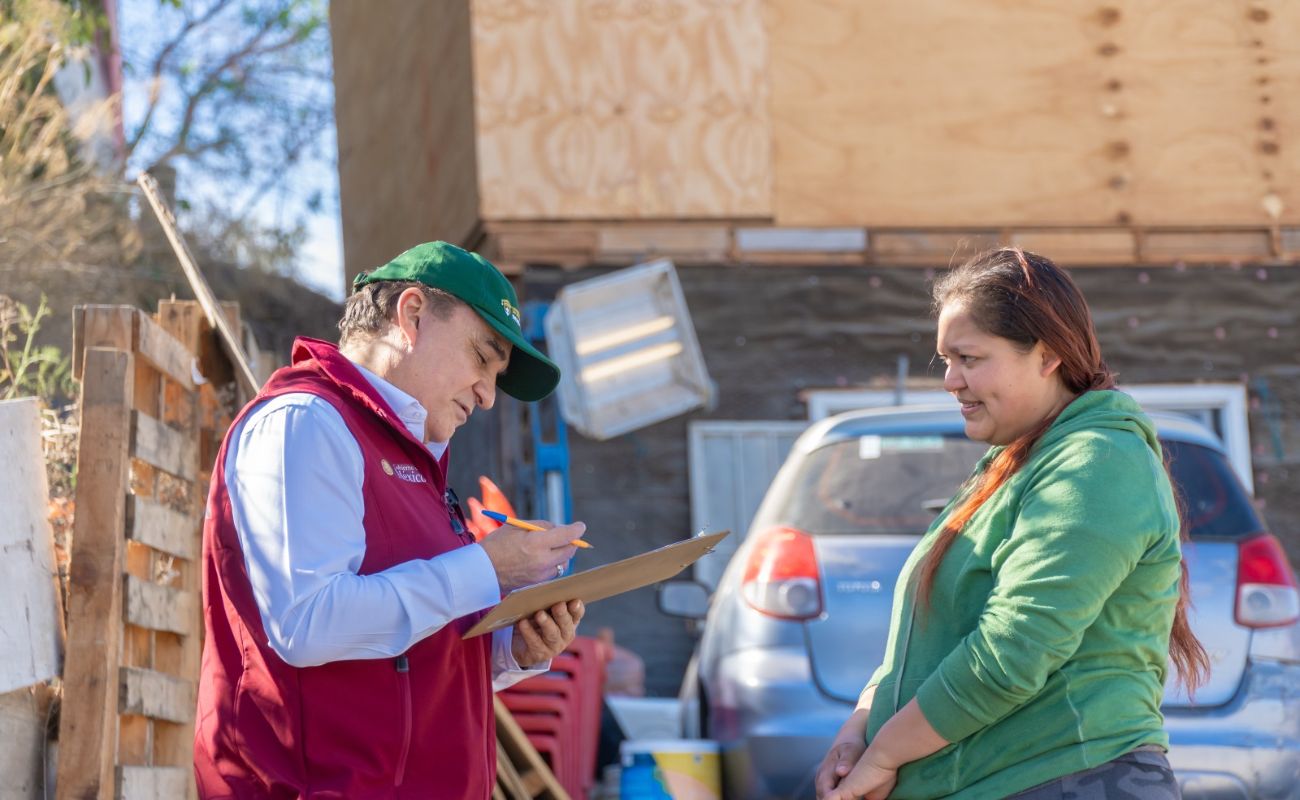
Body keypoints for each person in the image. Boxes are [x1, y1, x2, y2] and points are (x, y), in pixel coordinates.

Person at [194, 241, 588, 798]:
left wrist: (514, 652)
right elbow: (307, 625)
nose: (489, 395)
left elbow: (409, 654)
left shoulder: (410, 458)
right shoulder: (304, 423)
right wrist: (485, 568)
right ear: (412, 315)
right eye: (482, 357)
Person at [815, 248, 1209, 800]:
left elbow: (1012, 653)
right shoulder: (1017, 465)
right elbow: (928, 642)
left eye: (970, 358)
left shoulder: (1096, 461)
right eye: (944, 360)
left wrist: (884, 754)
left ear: (1047, 356)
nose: (951, 380)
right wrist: (858, 728)